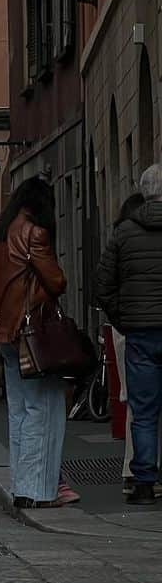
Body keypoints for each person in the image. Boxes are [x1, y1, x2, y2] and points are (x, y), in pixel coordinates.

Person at [0, 176, 69, 509]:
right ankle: (40, 491)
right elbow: (56, 281)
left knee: (20, 410)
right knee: (44, 409)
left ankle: (22, 486)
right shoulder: (35, 230)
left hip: (4, 333)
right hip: (32, 331)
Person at [97, 166, 162, 506]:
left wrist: (124, 319)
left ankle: (144, 483)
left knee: (144, 410)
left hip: (139, 333)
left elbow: (103, 285)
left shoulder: (124, 232)